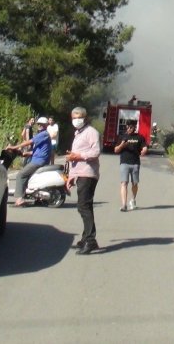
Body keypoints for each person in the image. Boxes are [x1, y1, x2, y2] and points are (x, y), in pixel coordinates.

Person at [65, 107, 101, 254]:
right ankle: (86, 237)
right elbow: (74, 157)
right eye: (73, 117)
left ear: (85, 118)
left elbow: (96, 151)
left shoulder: (91, 132)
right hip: (80, 174)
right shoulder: (78, 133)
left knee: (83, 207)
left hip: (88, 174)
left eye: (78, 117)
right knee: (86, 206)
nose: (76, 120)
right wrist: (71, 177)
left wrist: (78, 156)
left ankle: (90, 240)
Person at [8, 116, 51, 207]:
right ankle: (31, 195)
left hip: (38, 161)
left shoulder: (43, 134)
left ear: (46, 125)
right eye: (39, 124)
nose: (40, 126)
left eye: (42, 124)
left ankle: (19, 199)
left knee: (21, 175)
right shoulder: (43, 135)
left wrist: (14, 147)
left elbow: (29, 142)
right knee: (27, 175)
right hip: (38, 159)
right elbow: (38, 150)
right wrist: (25, 153)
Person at [114, 122, 147, 211]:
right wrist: (122, 145)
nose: (129, 129)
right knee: (124, 183)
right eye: (127, 127)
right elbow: (116, 150)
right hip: (124, 163)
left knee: (135, 183)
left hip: (135, 163)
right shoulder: (122, 137)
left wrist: (144, 150)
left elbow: (144, 147)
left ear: (134, 128)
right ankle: (124, 205)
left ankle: (133, 200)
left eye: (131, 127)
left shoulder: (139, 137)